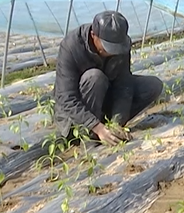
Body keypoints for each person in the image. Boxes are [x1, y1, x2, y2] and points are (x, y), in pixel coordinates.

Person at [53, 11, 163, 145]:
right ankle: (88, 136)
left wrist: (117, 122)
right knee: (95, 77)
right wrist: (96, 126)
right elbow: (66, 98)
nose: (112, 52)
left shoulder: (121, 46)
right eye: (107, 47)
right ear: (93, 35)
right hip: (78, 112)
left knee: (153, 85)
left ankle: (107, 127)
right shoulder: (71, 46)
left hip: (105, 97)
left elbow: (124, 84)